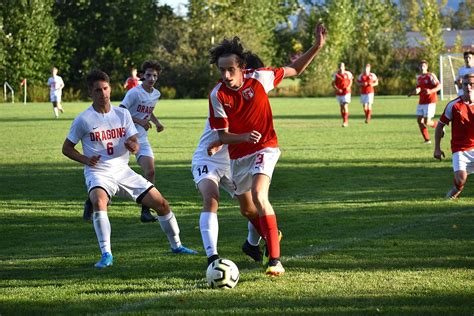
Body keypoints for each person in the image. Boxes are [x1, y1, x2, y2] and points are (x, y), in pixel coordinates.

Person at [207, 24, 327, 276]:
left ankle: (275, 260)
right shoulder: (217, 94)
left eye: (231, 69)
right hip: (238, 156)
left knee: (261, 196)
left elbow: (296, 69)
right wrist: (241, 137)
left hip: (266, 148)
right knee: (247, 209)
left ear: (241, 67)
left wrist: (316, 47)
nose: (227, 75)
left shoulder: (260, 77)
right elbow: (222, 135)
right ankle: (268, 237)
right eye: (222, 70)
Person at [62, 70, 197, 269]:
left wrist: (134, 146)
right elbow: (66, 148)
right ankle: (106, 254)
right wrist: (85, 159)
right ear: (90, 92)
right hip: (98, 172)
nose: (103, 94)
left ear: (110, 88)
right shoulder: (84, 119)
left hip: (123, 170)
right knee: (99, 201)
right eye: (98, 90)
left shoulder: (122, 114)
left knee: (162, 204)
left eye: (106, 89)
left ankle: (177, 246)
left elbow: (134, 140)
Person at [192, 52, 265, 266]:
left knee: (253, 208)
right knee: (211, 198)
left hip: (234, 162)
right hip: (208, 159)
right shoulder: (222, 95)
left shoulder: (254, 97)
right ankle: (212, 257)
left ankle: (252, 243)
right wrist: (219, 142)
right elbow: (223, 133)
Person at [83, 61, 165, 223]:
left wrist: (156, 122)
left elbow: (148, 110)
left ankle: (145, 211)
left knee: (151, 171)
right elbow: (121, 110)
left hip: (141, 138)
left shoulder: (156, 94)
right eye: (148, 75)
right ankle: (92, 200)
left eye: (155, 76)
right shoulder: (134, 93)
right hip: (122, 137)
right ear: (142, 76)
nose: (151, 78)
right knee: (109, 172)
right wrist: (140, 121)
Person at [434, 73, 474, 199]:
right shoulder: (454, 105)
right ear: (461, 85)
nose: (468, 87)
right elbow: (440, 125)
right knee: (461, 179)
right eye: (465, 84)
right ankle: (454, 192)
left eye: (472, 84)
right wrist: (437, 148)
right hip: (460, 149)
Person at [408, 60, 441, 144]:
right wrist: (412, 93)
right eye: (421, 66)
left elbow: (439, 86)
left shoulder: (430, 75)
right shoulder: (419, 78)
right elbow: (419, 89)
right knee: (419, 121)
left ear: (427, 67)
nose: (422, 68)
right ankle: (427, 140)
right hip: (421, 102)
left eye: (424, 66)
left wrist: (431, 91)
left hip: (430, 101)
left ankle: (439, 126)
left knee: (427, 122)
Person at [332, 62, 353, 127]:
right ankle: (344, 120)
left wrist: (349, 87)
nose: (341, 68)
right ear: (339, 67)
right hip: (339, 93)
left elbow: (351, 80)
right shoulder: (336, 75)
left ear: (344, 67)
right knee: (341, 107)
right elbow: (333, 84)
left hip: (346, 92)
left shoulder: (348, 73)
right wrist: (337, 89)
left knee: (345, 105)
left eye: (342, 66)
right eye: (340, 66)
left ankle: (345, 121)